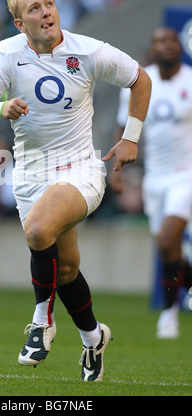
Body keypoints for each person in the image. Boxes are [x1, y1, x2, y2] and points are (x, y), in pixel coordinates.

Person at [0, 0, 151, 381]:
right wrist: (1, 109)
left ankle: (40, 324)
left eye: (48, 3)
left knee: (37, 231)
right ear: (20, 23)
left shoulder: (87, 51)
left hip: (81, 169)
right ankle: (92, 338)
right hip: (31, 175)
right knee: (64, 270)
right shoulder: (6, 53)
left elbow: (140, 78)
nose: (45, 12)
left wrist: (130, 138)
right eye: (34, 8)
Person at [113, 27, 192, 338]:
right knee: (165, 248)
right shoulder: (137, 85)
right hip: (154, 178)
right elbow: (124, 128)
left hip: (186, 175)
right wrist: (116, 169)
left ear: (179, 46)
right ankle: (178, 299)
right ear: (152, 48)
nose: (166, 46)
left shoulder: (190, 79)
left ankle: (169, 313)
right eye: (160, 41)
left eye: (171, 40)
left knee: (171, 236)